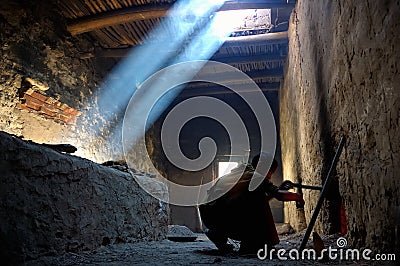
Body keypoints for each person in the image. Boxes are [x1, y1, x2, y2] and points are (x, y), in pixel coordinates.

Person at [199, 152, 305, 254]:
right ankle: (253, 244)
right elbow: (280, 196)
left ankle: (218, 234)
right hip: (220, 217)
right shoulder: (255, 176)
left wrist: (277, 190)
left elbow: (257, 202)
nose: (270, 177)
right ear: (264, 168)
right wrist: (298, 197)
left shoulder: (243, 172)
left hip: (210, 216)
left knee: (256, 198)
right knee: (257, 202)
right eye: (270, 173)